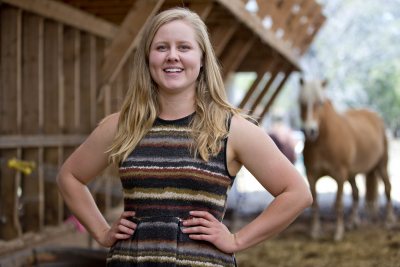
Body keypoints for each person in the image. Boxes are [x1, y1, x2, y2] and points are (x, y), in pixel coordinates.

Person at [56, 7, 312, 267]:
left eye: (184, 47)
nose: (172, 56)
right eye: (162, 48)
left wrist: (237, 240)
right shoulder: (122, 125)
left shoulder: (231, 130)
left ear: (202, 59)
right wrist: (101, 231)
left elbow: (297, 193)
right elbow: (70, 176)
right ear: (147, 58)